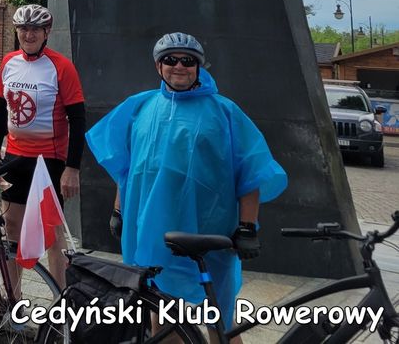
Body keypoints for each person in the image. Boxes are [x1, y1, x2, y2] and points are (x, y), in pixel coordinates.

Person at [86, 32, 287, 332]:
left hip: (208, 229)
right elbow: (128, 168)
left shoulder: (224, 111)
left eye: (187, 61)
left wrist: (247, 226)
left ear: (199, 67)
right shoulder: (140, 107)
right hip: (153, 229)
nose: (179, 66)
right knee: (163, 314)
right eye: (170, 59)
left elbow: (252, 170)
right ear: (158, 66)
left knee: (220, 320)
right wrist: (118, 210)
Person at [0, 4, 85, 290]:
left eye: (35, 29)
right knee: (12, 229)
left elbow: (78, 119)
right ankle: (11, 299)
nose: (28, 34)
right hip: (15, 157)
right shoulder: (9, 62)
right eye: (23, 29)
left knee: (52, 234)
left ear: (46, 33)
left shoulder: (61, 67)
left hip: (49, 161)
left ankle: (60, 303)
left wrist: (72, 168)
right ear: (16, 31)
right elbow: (0, 108)